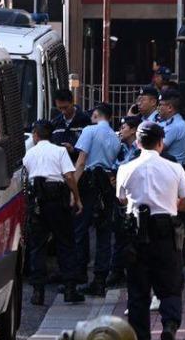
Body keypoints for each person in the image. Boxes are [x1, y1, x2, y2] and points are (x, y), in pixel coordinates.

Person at [117, 121, 185, 340]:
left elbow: (121, 199)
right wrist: (170, 205)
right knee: (171, 286)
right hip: (166, 233)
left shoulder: (126, 168)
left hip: (136, 234)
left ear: (138, 143)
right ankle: (169, 326)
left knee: (138, 292)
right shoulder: (174, 168)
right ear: (161, 143)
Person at [23, 120, 85, 306]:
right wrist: (77, 198)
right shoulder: (60, 151)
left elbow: (26, 177)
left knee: (37, 246)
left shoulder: (29, 153)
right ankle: (70, 289)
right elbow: (69, 176)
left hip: (37, 201)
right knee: (65, 243)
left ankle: (37, 292)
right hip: (57, 200)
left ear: (35, 135)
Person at [73, 103, 121, 296]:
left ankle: (78, 275)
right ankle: (100, 279)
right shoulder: (115, 137)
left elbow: (81, 161)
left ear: (95, 114)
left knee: (80, 228)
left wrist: (73, 189)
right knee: (104, 232)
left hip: (89, 181)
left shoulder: (89, 131)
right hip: (107, 183)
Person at [106, 115, 142, 289]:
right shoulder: (120, 148)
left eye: (124, 127)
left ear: (134, 130)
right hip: (120, 196)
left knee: (134, 235)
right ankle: (117, 271)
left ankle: (133, 271)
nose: (121, 131)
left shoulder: (140, 149)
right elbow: (114, 166)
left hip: (135, 196)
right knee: (119, 234)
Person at [50, 89, 92, 162]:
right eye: (60, 108)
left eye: (65, 107)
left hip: (79, 165)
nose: (63, 111)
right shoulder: (55, 123)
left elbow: (91, 148)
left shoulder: (86, 121)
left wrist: (73, 150)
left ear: (72, 102)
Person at [156, 89, 185, 165]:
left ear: (170, 108)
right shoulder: (171, 122)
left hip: (171, 168)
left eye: (160, 105)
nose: (158, 108)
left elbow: (155, 148)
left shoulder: (175, 126)